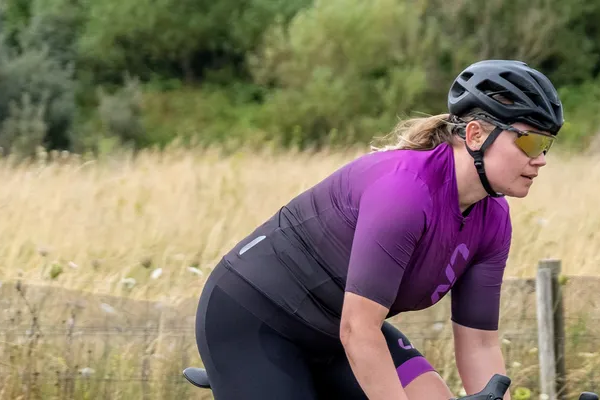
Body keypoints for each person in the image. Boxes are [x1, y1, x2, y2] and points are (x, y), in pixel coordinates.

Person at [193, 59, 564, 400]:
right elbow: (359, 329)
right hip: (254, 318)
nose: (541, 159)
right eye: (530, 141)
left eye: (547, 144)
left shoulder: (493, 218)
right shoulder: (406, 192)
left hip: (336, 330)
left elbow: (480, 344)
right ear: (475, 135)